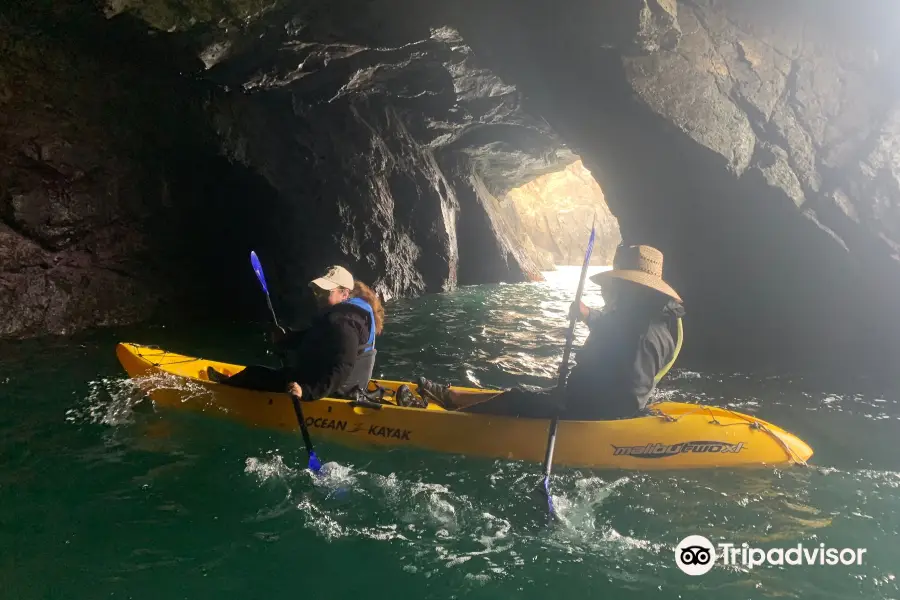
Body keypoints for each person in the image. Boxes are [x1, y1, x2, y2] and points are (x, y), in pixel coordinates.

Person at [418, 244, 685, 420]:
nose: (612, 288)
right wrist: (588, 314)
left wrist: (574, 405)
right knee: (521, 391)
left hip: (592, 414)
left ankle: (453, 419)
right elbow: (616, 332)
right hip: (581, 397)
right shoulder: (647, 316)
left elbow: (627, 400)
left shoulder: (642, 334)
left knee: (520, 400)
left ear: (633, 288)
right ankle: (455, 398)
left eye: (618, 283)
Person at [207, 265, 385, 401]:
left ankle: (221, 390)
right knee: (264, 373)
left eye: (325, 292)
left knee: (255, 375)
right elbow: (315, 338)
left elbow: (343, 367)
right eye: (317, 290)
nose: (318, 295)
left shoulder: (344, 323)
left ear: (345, 294)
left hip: (334, 390)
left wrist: (307, 392)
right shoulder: (341, 316)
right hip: (337, 383)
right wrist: (285, 339)